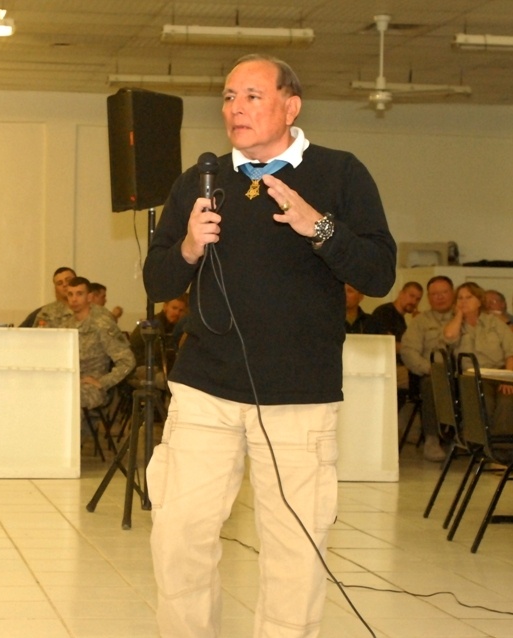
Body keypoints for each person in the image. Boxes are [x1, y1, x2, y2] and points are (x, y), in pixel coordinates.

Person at [142, 54, 396, 638]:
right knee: (180, 536)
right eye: (229, 97)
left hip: (299, 394)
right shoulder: (199, 182)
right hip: (205, 386)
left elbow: (380, 272)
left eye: (253, 96)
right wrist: (187, 248)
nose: (236, 108)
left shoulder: (340, 173)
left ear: (291, 105)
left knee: (294, 551)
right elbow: (158, 282)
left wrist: (320, 228)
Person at [444, 282, 513, 435]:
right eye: (460, 298)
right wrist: (460, 315)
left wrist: (508, 378)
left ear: (479, 301)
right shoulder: (454, 324)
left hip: (498, 373)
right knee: (484, 399)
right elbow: (449, 337)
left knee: (507, 400)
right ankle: (482, 443)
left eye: (469, 297)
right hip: (471, 376)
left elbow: (511, 353)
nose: (463, 301)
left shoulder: (494, 323)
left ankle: (501, 448)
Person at [400, 276, 456, 462]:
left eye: (444, 292)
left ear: (452, 293)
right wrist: (430, 369)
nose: (439, 297)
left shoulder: (464, 316)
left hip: (461, 375)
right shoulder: (420, 322)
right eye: (434, 294)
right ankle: (432, 439)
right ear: (429, 298)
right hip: (430, 375)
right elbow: (409, 352)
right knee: (431, 384)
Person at [63, 276, 135, 411]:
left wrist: (102, 382)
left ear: (89, 297)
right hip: (69, 381)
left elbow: (127, 361)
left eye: (79, 294)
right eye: (70, 294)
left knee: (67, 398)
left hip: (93, 387)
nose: (74, 299)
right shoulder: (66, 326)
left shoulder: (102, 325)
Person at [368, 281, 423, 389]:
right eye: (411, 296)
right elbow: (388, 345)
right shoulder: (384, 313)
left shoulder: (403, 319)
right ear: (401, 293)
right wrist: (412, 349)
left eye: (417, 299)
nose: (413, 301)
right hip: (386, 368)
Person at [129, 294, 189, 386]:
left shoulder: (177, 328)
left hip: (157, 367)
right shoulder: (153, 326)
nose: (177, 313)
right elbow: (158, 354)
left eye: (181, 310)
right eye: (174, 308)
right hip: (141, 366)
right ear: (165, 307)